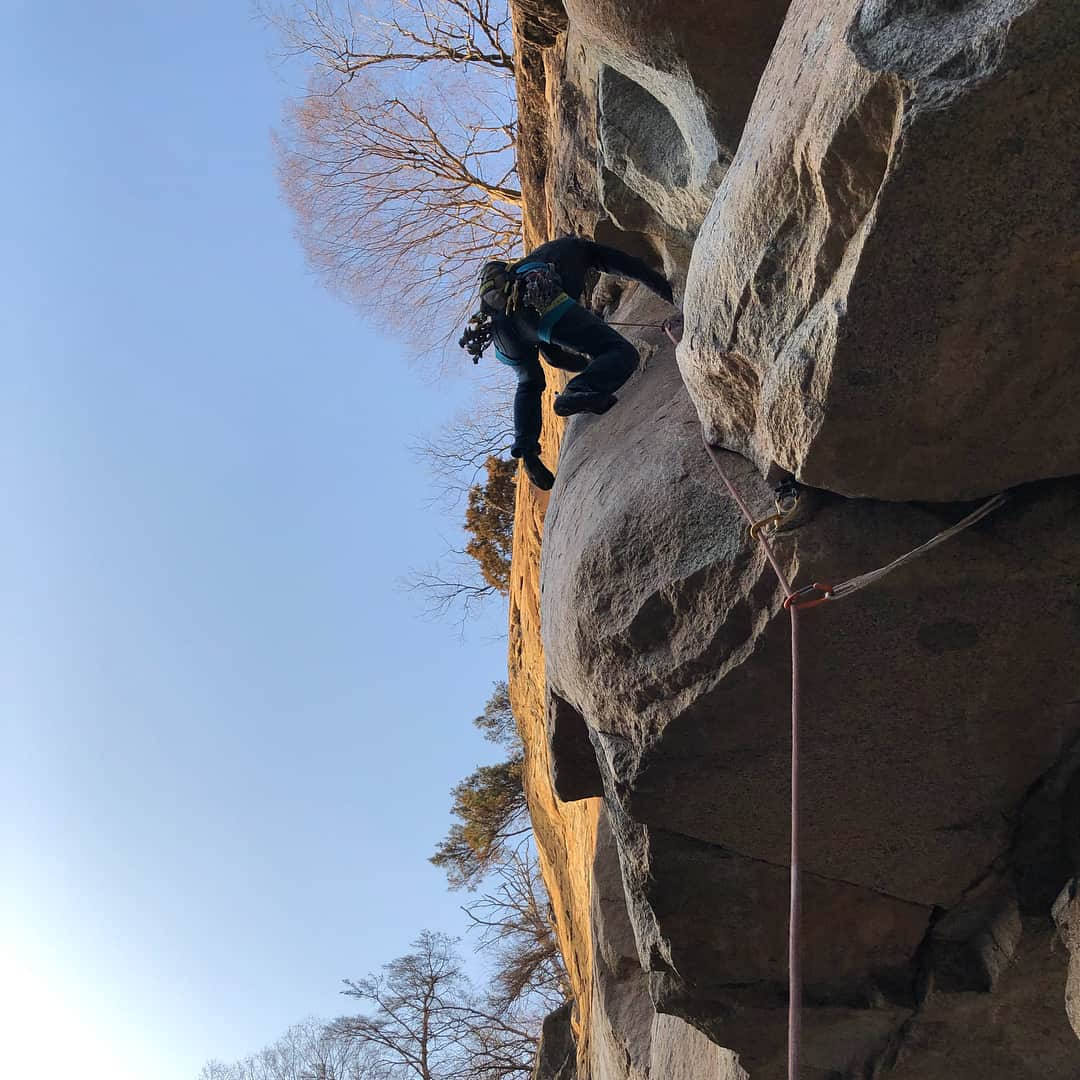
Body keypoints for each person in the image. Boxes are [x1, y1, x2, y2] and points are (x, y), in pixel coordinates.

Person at [462, 237, 674, 490]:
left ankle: (527, 452)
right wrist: (671, 294)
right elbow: (631, 266)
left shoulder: (517, 276)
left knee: (528, 383)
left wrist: (586, 365)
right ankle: (577, 391)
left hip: (502, 333)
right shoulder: (577, 248)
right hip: (539, 298)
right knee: (620, 352)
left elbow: (553, 356)